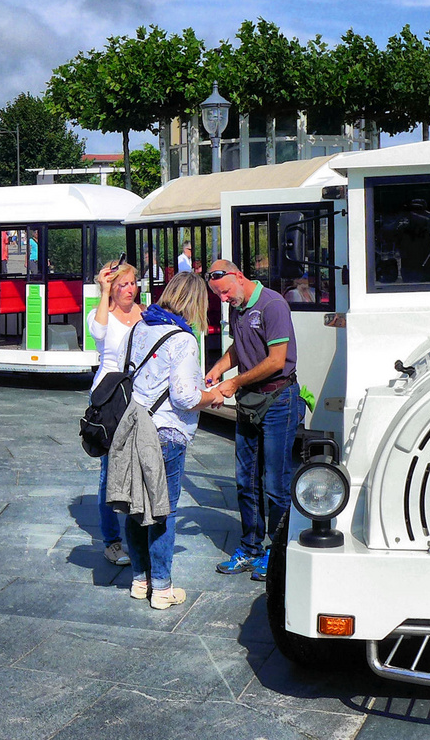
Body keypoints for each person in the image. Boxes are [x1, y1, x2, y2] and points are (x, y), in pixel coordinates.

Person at [113, 271, 206, 610]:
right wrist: (212, 396)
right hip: (166, 434)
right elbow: (184, 396)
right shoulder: (182, 339)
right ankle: (163, 589)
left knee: (137, 507)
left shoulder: (140, 326)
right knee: (163, 513)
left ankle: (141, 580)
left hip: (133, 430)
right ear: (193, 303)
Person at [204, 257, 301, 580]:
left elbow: (276, 361)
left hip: (277, 399)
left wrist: (234, 382)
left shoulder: (272, 305)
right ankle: (250, 547)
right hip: (251, 400)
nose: (224, 299)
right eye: (219, 295)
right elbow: (240, 344)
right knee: (245, 480)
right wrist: (221, 367)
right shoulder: (239, 307)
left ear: (239, 276)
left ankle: (277, 550)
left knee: (275, 482)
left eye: (226, 291)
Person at [89, 260, 144, 566]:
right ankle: (112, 541)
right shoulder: (102, 315)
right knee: (109, 473)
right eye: (121, 284)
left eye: (132, 283)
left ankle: (138, 535)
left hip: (140, 396)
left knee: (140, 468)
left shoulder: (146, 314)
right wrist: (103, 290)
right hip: (110, 399)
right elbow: (97, 332)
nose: (128, 290)